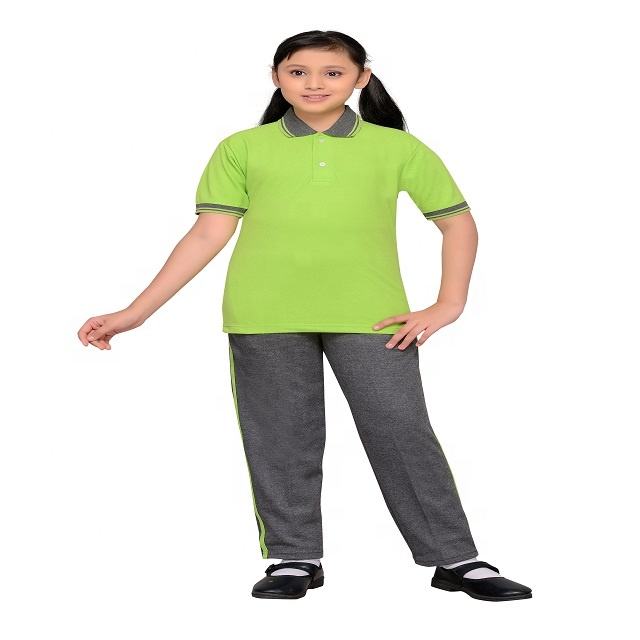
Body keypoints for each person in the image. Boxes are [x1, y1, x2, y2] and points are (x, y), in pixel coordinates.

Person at [77, 30, 532, 602]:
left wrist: (450, 303)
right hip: (264, 314)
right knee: (279, 437)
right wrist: (135, 312)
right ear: (277, 77)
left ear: (361, 78)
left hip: (374, 318)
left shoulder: (398, 148)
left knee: (401, 430)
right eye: (298, 72)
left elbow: (457, 222)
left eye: (332, 72)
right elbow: (208, 234)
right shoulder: (242, 148)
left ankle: (455, 557)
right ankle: (294, 557)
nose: (314, 83)